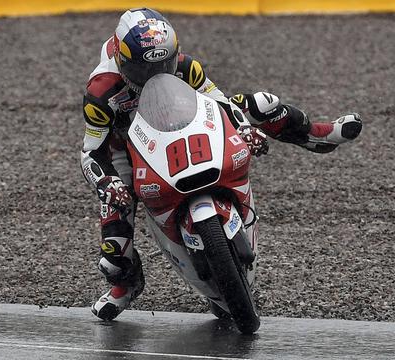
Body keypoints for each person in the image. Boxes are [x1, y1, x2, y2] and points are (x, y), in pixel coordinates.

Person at [80, 7, 362, 321]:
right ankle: (126, 285)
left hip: (181, 122)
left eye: (164, 64)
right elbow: (92, 151)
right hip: (129, 145)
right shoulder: (101, 92)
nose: (155, 74)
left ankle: (316, 136)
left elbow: (220, 101)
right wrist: (108, 183)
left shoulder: (186, 67)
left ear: (174, 53)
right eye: (143, 69)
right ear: (121, 60)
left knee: (262, 103)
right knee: (114, 249)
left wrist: (244, 129)